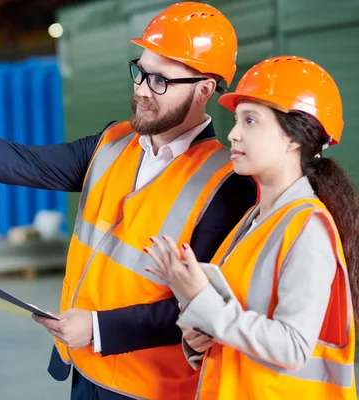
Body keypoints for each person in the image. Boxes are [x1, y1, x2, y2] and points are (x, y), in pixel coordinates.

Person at [0, 2, 257, 398]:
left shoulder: (226, 184)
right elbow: (24, 163)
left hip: (150, 388)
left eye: (161, 81)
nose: (143, 91)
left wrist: (98, 329)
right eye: (140, 73)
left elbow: (205, 308)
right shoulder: (112, 143)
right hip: (84, 371)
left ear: (204, 89)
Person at [145, 55, 359, 399]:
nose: (233, 134)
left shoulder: (308, 230)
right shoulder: (255, 220)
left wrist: (204, 302)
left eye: (250, 121)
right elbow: (236, 324)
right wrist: (197, 335)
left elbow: (292, 347)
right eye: (235, 120)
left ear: (294, 138)